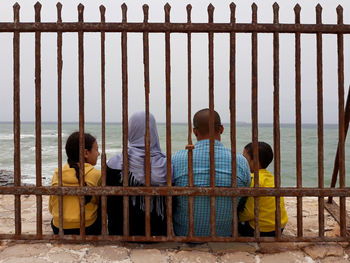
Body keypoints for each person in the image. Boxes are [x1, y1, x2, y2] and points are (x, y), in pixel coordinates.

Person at [172, 108, 251, 236]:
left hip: (184, 233)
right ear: (221, 129)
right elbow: (244, 196)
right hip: (223, 234)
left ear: (195, 132)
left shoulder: (177, 159)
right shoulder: (240, 161)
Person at [106, 111, 168, 236]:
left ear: (130, 131)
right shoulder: (166, 166)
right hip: (158, 233)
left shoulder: (114, 164)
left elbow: (109, 204)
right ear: (154, 131)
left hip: (121, 232)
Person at [49, 132, 102, 235]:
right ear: (86, 153)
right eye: (96, 149)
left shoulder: (57, 173)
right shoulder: (96, 174)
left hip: (59, 228)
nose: (98, 153)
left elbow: (51, 207)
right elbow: (100, 203)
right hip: (88, 228)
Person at [239, 141, 288, 237]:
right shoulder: (272, 178)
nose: (242, 162)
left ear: (255, 161)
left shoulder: (253, 180)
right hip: (279, 227)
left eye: (244, 158)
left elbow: (249, 213)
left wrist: (237, 218)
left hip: (260, 230)